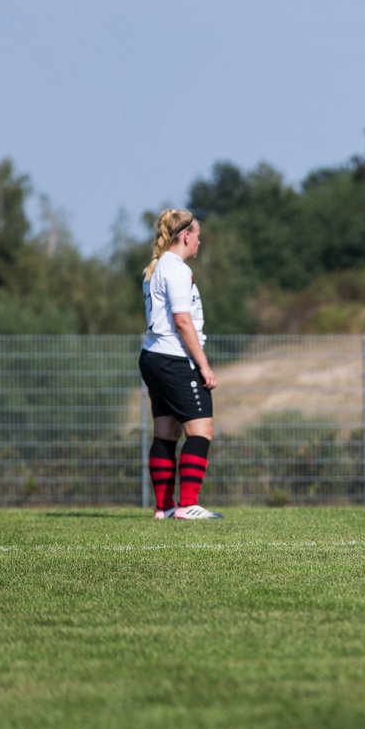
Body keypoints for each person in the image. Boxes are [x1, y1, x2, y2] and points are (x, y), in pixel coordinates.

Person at [138, 208, 224, 520]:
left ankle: (164, 507)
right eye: (197, 236)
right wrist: (204, 366)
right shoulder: (174, 269)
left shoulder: (155, 268)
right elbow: (182, 321)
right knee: (201, 430)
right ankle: (188, 504)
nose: (199, 242)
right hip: (175, 358)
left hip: (153, 356)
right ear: (185, 235)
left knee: (166, 430)